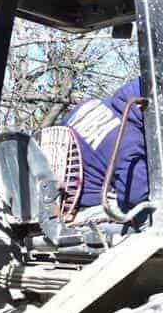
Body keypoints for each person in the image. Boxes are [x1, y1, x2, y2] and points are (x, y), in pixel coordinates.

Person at [62, 77, 150, 225]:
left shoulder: (91, 104)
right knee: (150, 214)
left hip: (58, 198)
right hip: (86, 207)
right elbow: (135, 196)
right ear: (142, 106)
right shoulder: (131, 140)